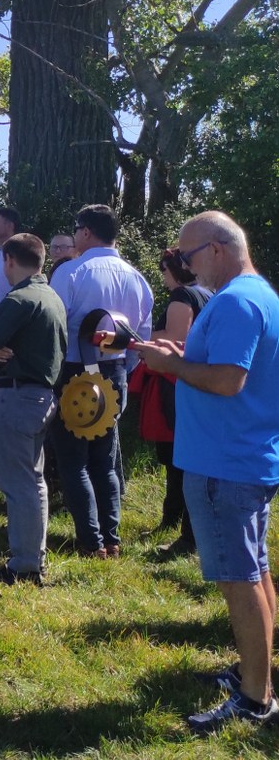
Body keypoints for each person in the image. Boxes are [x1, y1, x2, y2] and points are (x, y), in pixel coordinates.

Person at [132, 212, 279, 733]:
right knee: (256, 571)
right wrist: (178, 352)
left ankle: (255, 698)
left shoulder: (236, 301)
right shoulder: (259, 294)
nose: (186, 267)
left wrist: (171, 366)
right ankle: (255, 673)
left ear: (216, 249)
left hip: (224, 463)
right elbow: (228, 365)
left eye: (187, 256)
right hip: (245, 456)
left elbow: (227, 380)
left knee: (239, 580)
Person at [48, 203, 154, 558]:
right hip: (115, 372)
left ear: (86, 232)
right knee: (104, 460)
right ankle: (112, 538)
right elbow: (141, 338)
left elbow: (56, 328)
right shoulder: (137, 278)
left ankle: (91, 542)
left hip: (75, 373)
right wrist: (122, 368)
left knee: (73, 461)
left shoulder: (71, 272)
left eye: (76, 230)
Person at [0, 233, 66, 585]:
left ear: (10, 260)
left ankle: (25, 565)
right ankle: (32, 556)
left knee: (19, 484)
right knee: (33, 481)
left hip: (17, 397)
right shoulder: (50, 295)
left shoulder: (18, 299)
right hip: (41, 397)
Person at [128, 246, 211, 556]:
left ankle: (181, 528)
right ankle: (176, 521)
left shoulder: (182, 296)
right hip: (194, 382)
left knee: (176, 455)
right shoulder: (207, 293)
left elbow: (175, 338)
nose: (162, 276)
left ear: (175, 269)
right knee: (182, 455)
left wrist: (138, 337)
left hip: (173, 381)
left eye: (164, 270)